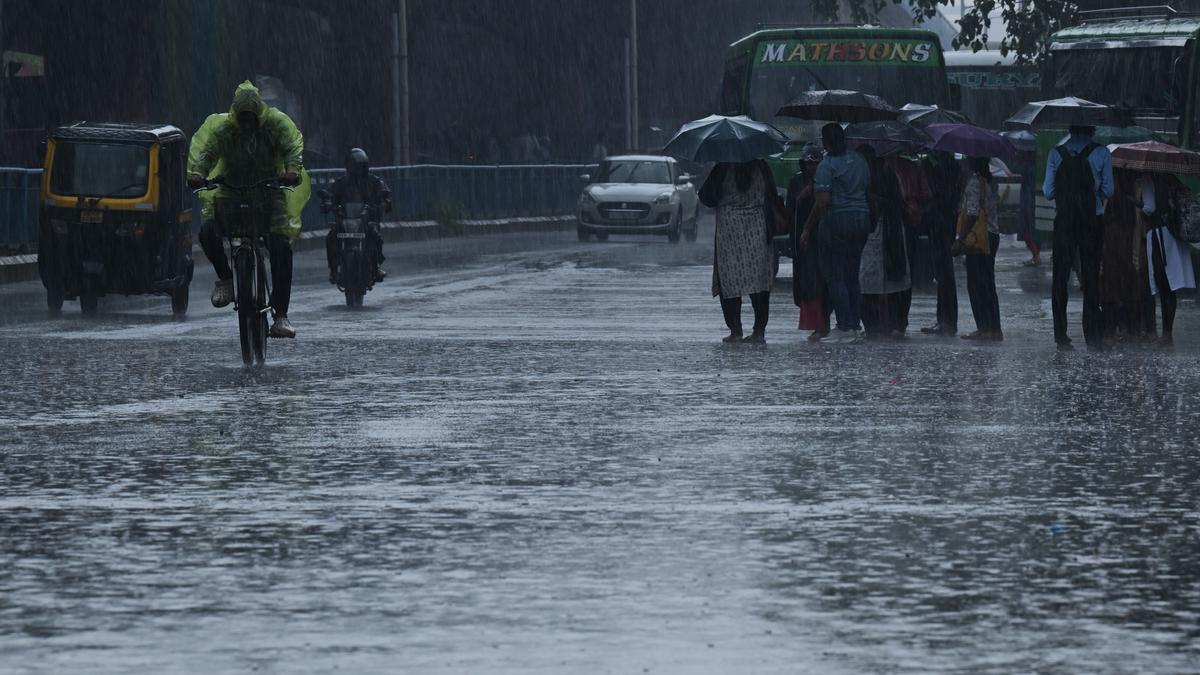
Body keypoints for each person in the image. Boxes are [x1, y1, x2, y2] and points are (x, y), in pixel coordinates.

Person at [189, 80, 305, 339]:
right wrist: (198, 173)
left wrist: (291, 171)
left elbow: (290, 150)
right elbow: (207, 153)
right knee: (208, 233)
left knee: (280, 245)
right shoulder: (225, 132)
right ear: (235, 117)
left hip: (268, 193)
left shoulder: (274, 127)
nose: (247, 124)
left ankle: (281, 314)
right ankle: (226, 279)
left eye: (251, 118)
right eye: (242, 119)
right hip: (232, 191)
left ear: (259, 115)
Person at [798, 123, 872, 344]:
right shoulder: (860, 161)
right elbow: (867, 187)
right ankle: (855, 325)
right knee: (852, 275)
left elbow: (822, 202)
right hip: (861, 219)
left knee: (835, 276)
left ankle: (845, 325)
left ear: (825, 142)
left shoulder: (826, 166)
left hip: (837, 221)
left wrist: (807, 228)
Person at [1043, 125, 1114, 350]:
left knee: (1060, 278)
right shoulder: (1102, 153)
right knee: (1091, 276)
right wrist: (1091, 196)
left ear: (1070, 130)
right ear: (1092, 130)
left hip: (1064, 222)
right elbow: (1109, 190)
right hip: (1091, 221)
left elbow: (1048, 192)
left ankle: (1061, 335)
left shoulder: (1056, 153)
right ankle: (1092, 334)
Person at [699, 159, 779, 343]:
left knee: (730, 281)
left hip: (729, 231)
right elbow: (772, 195)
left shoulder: (723, 167)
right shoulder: (762, 167)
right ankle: (759, 330)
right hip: (757, 229)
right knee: (759, 282)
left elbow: (706, 197)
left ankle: (736, 330)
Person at [858, 146, 912, 339]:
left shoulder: (875, 177)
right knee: (890, 280)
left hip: (883, 231)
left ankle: (878, 324)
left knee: (872, 280)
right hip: (888, 231)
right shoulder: (888, 174)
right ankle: (894, 323)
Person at [324, 148, 392, 284]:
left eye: (361, 166)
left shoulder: (374, 181)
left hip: (366, 220)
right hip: (345, 220)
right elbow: (330, 195)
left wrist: (384, 202)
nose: (358, 170)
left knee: (375, 236)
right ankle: (333, 270)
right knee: (331, 237)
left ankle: (375, 266)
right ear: (349, 167)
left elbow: (385, 192)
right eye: (355, 166)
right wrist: (327, 203)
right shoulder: (341, 183)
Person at [1144, 174, 1194, 347]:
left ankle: (1160, 334)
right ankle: (1168, 332)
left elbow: (1149, 207)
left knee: (1159, 283)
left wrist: (1135, 201)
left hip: (1158, 236)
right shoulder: (1172, 180)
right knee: (1169, 287)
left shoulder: (1148, 180)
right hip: (1173, 236)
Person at [955, 157, 1003, 341]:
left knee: (976, 283)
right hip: (992, 235)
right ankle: (994, 328)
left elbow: (972, 213)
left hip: (980, 237)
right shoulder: (988, 181)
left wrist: (960, 238)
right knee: (988, 283)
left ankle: (984, 327)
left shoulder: (975, 182)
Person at [1100, 169, 1151, 341]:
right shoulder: (1136, 190)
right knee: (1129, 287)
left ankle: (1115, 328)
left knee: (1114, 287)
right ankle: (1130, 327)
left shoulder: (1110, 192)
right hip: (1126, 244)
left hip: (1116, 245)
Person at [786, 142, 830, 340]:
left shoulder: (825, 181)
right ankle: (815, 323)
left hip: (821, 235)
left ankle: (824, 323)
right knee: (806, 282)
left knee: (822, 281)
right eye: (808, 164)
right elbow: (791, 210)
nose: (811, 167)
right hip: (801, 238)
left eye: (815, 164)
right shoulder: (796, 182)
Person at [919, 150, 962, 336]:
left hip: (940, 223)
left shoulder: (939, 167)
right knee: (943, 274)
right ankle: (944, 319)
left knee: (943, 274)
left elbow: (936, 195)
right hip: (946, 222)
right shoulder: (953, 166)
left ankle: (947, 320)